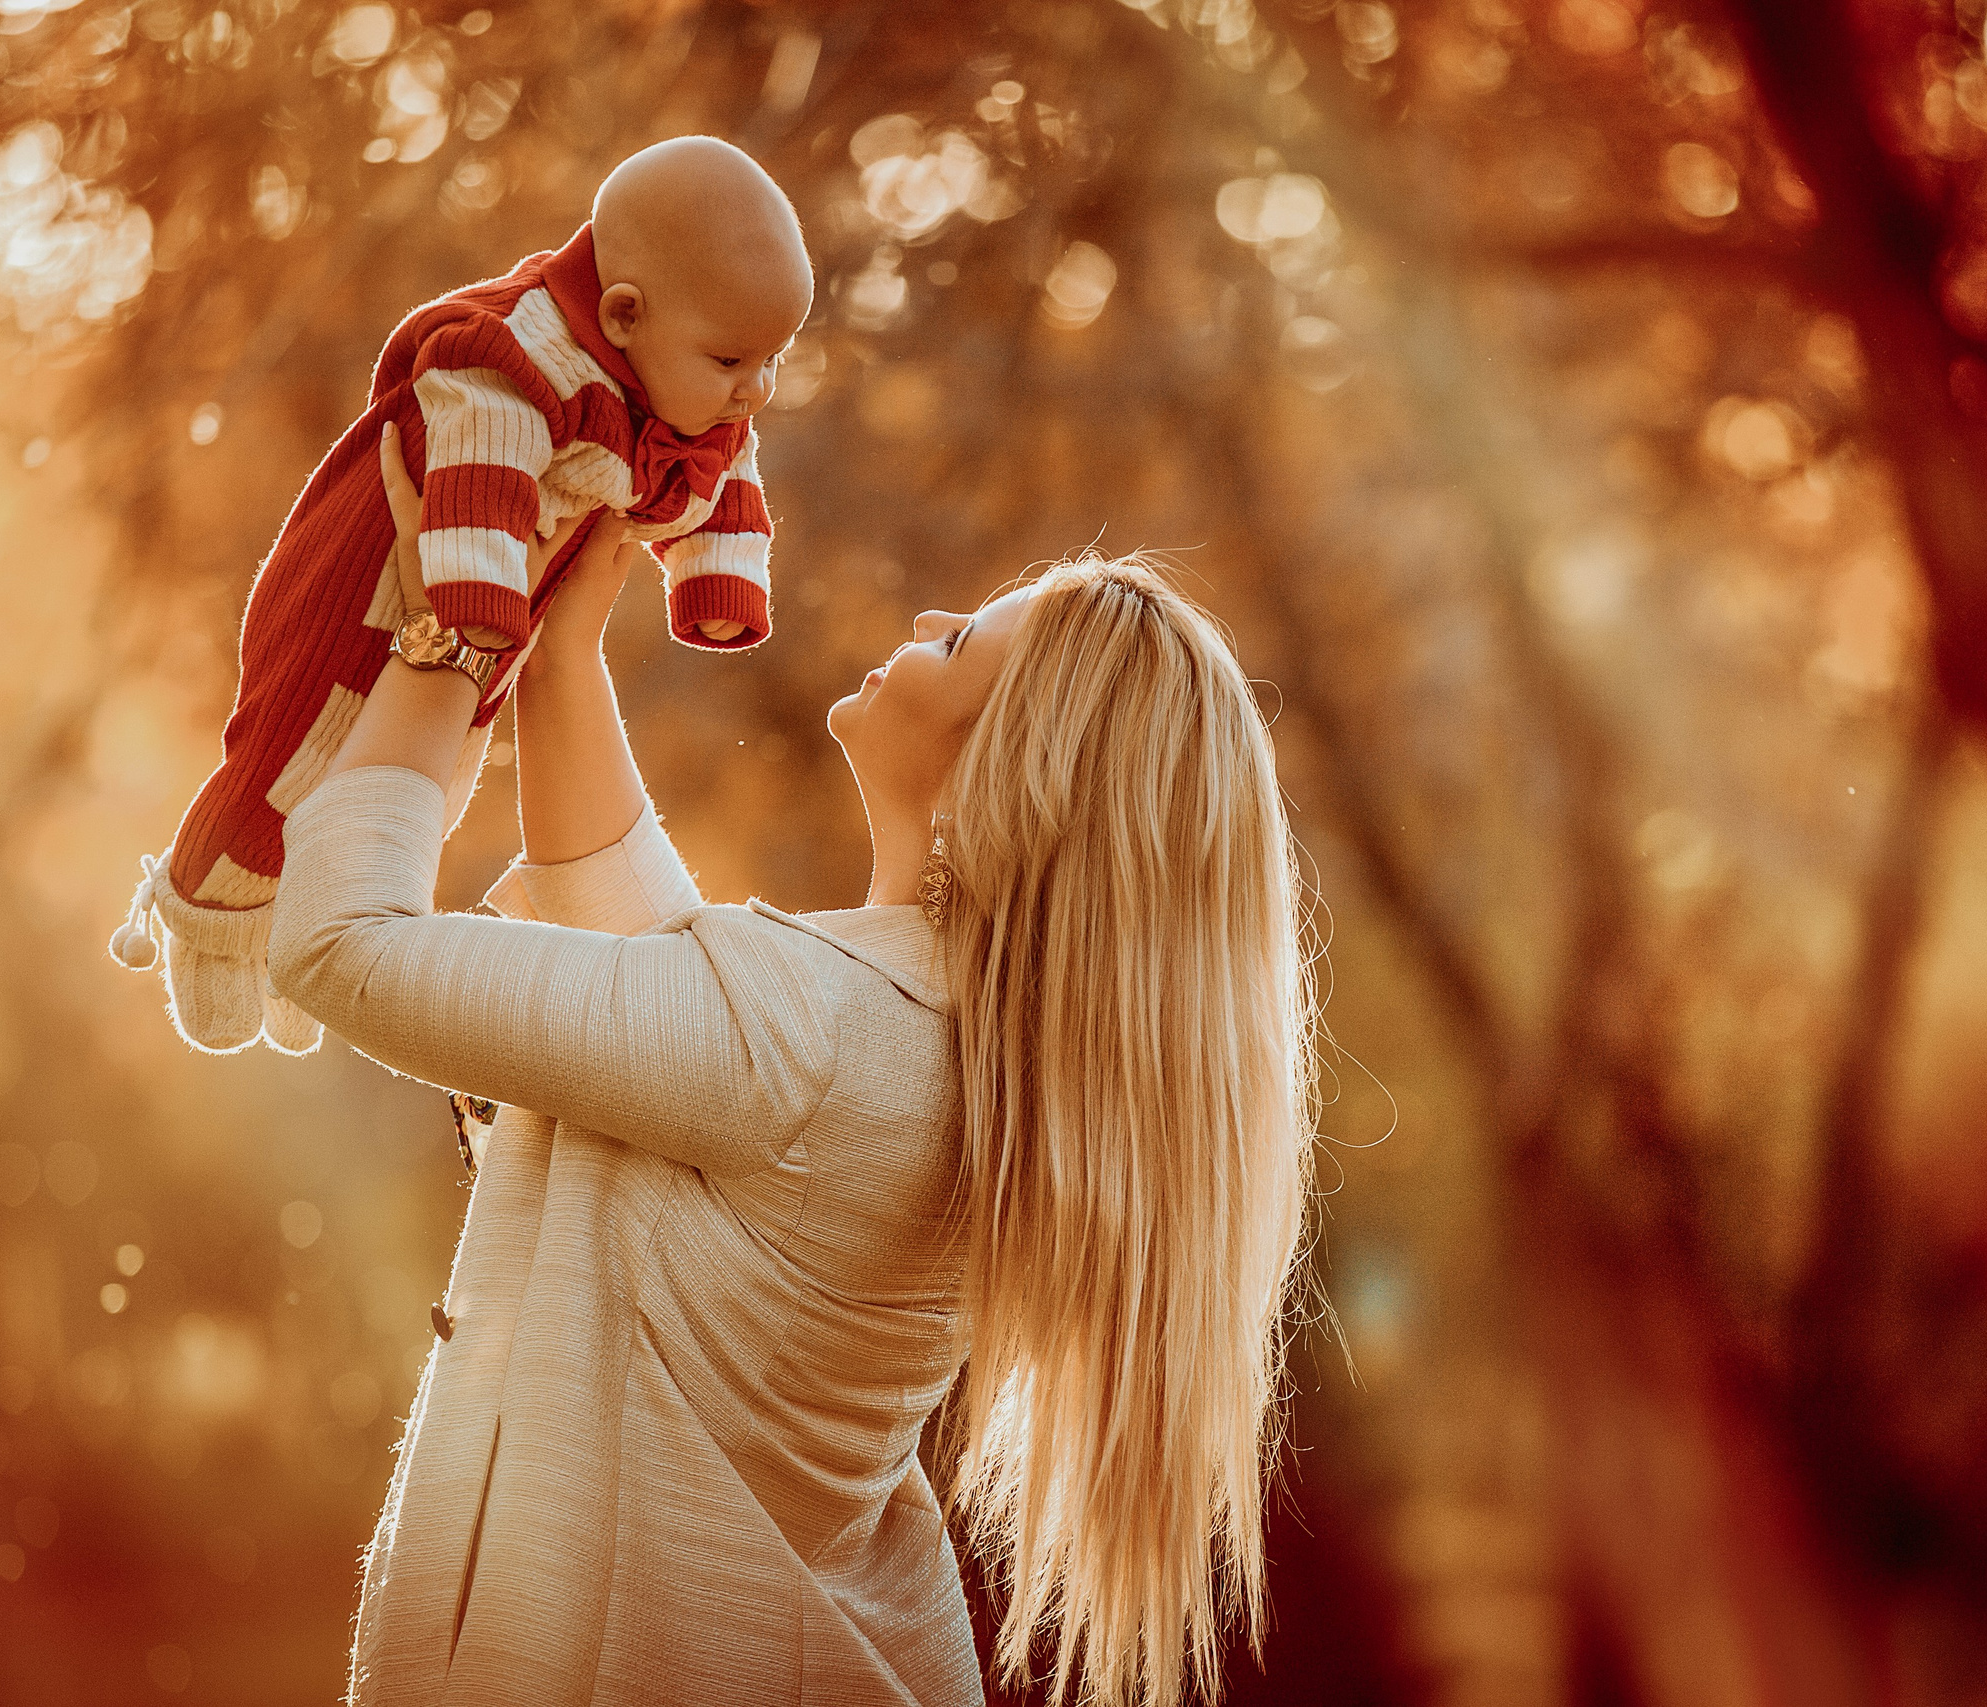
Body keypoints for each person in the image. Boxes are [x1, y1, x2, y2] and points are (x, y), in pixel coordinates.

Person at [265, 426, 1322, 1706]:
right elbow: (662, 959)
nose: (927, 614)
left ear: (1009, 766)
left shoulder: (816, 1032)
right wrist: (560, 638)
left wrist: (457, 617)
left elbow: (339, 945)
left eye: (957, 644)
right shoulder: (933, 1051)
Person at [113, 136, 810, 1057]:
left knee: (430, 787)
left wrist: (716, 577)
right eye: (732, 361)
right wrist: (477, 594)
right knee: (298, 745)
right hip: (372, 580)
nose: (754, 390)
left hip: (493, 620)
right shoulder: (520, 349)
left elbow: (727, 470)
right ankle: (209, 903)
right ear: (625, 313)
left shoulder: (694, 389)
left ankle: (301, 927)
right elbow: (482, 431)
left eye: (774, 361)